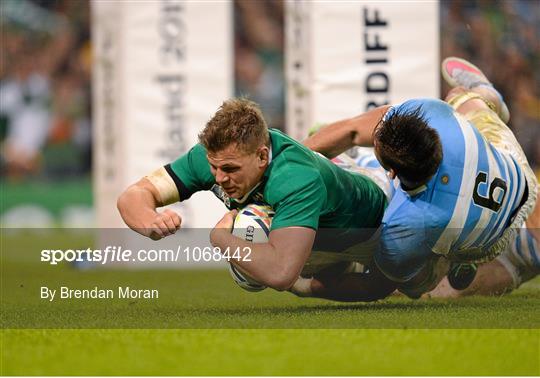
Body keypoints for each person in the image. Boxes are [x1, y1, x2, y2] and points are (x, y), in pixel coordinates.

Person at [304, 57, 538, 298]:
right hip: (517, 174)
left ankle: (448, 263)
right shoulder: (436, 117)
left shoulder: (408, 223)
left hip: (485, 243)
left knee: (414, 283)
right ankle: (489, 94)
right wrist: (296, 155)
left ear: (392, 172)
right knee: (462, 97)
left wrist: (305, 287)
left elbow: (375, 286)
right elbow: (352, 131)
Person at [117, 98, 394, 299]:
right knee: (264, 232)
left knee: (395, 285)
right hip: (319, 224)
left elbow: (281, 273)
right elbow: (134, 195)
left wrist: (219, 238)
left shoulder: (295, 179)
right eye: (214, 167)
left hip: (377, 221)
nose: (219, 178)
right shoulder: (214, 157)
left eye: (230, 169)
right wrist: (149, 219)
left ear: (262, 156)